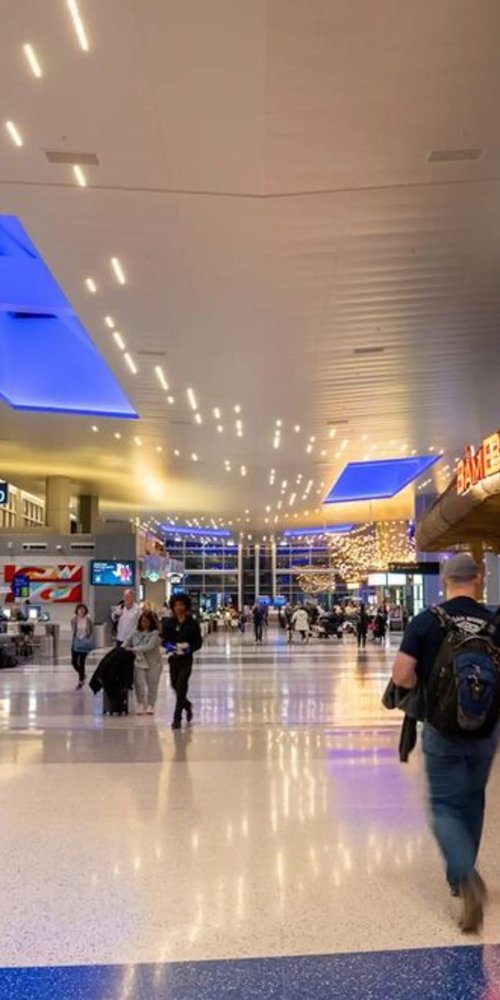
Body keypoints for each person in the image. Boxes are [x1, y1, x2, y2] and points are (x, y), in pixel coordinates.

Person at [392, 552, 499, 933]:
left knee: (444, 805)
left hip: (441, 728)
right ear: (479, 579)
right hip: (486, 730)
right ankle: (461, 875)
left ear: (445, 581)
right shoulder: (495, 620)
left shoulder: (427, 621)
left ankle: (463, 875)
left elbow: (402, 675)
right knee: (473, 800)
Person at [161, 593, 203, 730]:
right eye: (176, 605)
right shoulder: (168, 623)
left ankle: (177, 717)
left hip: (186, 659)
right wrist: (169, 646)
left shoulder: (192, 623)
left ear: (186, 606)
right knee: (175, 685)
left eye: (181, 605)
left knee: (181, 686)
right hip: (174, 659)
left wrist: (189, 649)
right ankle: (187, 705)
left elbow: (198, 642)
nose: (178, 607)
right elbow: (164, 640)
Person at [125, 609, 163, 716]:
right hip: (139, 662)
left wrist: (134, 649)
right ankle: (140, 703)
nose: (144, 623)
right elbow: (126, 643)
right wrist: (125, 648)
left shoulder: (155, 635)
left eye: (146, 621)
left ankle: (151, 704)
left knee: (152, 684)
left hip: (153, 662)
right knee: (139, 683)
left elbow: (148, 647)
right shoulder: (135, 633)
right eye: (142, 621)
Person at [71, 602, 93, 690]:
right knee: (74, 662)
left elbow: (91, 631)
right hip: (76, 642)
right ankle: (82, 674)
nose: (81, 611)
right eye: (79, 609)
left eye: (83, 609)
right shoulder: (74, 620)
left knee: (82, 662)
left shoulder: (88, 620)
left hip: (85, 643)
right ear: (77, 610)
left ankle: (80, 681)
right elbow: (74, 631)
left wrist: (88, 639)